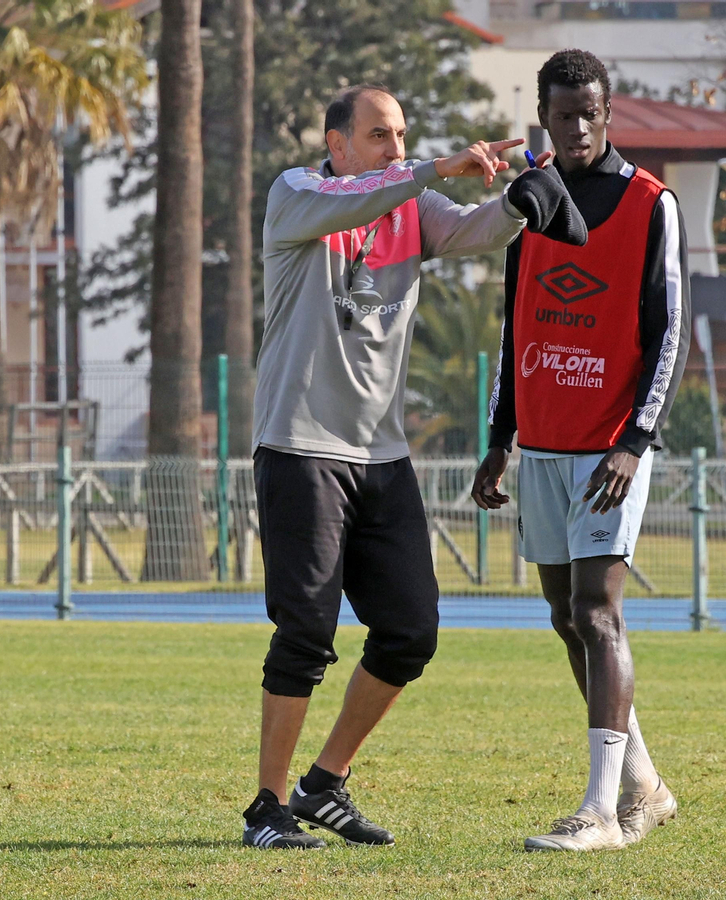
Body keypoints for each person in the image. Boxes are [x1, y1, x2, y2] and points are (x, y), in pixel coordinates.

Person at [244, 84, 585, 850]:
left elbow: (474, 232)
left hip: (382, 456)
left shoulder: (410, 204)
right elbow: (376, 192)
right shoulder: (297, 193)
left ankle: (321, 786)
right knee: (306, 630)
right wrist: (434, 165)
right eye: (378, 135)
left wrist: (526, 200)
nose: (394, 148)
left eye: (401, 134)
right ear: (336, 144)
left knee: (410, 631)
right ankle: (264, 806)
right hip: (300, 447)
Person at [471, 49, 690, 852]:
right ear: (545, 115)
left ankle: (600, 813)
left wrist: (636, 441)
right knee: (566, 616)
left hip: (608, 451)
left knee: (599, 613)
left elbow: (671, 333)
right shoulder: (527, 210)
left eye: (588, 114)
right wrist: (500, 438)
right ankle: (643, 784)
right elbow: (514, 327)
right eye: (561, 115)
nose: (575, 128)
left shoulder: (650, 204)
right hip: (544, 447)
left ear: (609, 111)